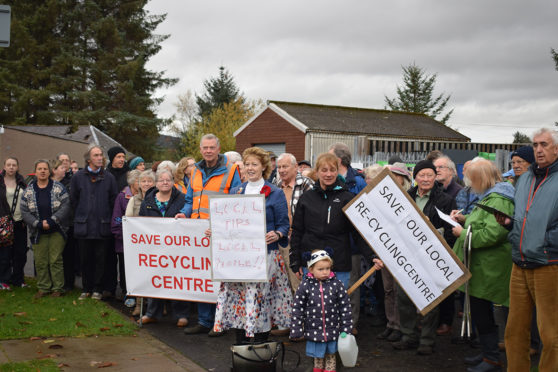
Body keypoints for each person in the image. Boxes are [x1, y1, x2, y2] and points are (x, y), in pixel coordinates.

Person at [213, 147, 291, 344]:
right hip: (239, 257)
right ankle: (241, 347)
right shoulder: (235, 191)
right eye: (246, 164)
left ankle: (260, 347)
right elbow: (227, 220)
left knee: (259, 300)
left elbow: (284, 224)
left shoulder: (275, 193)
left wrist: (277, 233)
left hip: (265, 256)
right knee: (240, 300)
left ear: (263, 167)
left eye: (254, 164)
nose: (249, 168)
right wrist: (215, 228)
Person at [496, 128, 558, 372]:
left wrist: (542, 242)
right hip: (519, 264)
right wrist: (511, 226)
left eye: (544, 144)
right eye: (535, 144)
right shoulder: (526, 178)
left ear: (556, 148)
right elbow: (523, 218)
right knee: (513, 333)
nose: (539, 149)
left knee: (551, 336)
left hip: (549, 265)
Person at [450, 159, 514, 372]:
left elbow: (494, 233)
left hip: (489, 267)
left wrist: (464, 233)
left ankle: (492, 359)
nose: (470, 184)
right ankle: (489, 354)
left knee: (484, 312)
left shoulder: (500, 199)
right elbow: (483, 221)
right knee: (481, 311)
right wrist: (464, 218)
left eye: (473, 180)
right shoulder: (491, 196)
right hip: (482, 266)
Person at [176, 133, 241, 336]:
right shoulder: (195, 170)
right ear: (200, 149)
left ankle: (219, 322)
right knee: (202, 277)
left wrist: (222, 225)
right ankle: (204, 321)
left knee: (220, 279)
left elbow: (236, 202)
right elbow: (189, 199)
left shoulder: (231, 171)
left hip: (220, 233)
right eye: (205, 148)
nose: (208, 151)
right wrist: (184, 213)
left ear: (218, 148)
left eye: (212, 147)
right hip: (198, 233)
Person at [290, 153, 382, 289]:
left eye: (332, 170)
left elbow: (358, 233)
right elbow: (297, 231)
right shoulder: (306, 198)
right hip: (311, 263)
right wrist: (295, 261)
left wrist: (371, 256)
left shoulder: (348, 198)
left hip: (339, 264)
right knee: (314, 306)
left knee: (336, 307)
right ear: (317, 172)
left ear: (337, 171)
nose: (328, 174)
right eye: (324, 170)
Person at [393, 160, 456, 355]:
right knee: (404, 297)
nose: (426, 179)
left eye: (430, 175)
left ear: (435, 177)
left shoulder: (445, 200)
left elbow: (450, 230)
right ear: (415, 177)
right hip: (407, 254)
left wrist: (430, 229)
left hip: (431, 256)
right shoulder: (405, 197)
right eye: (422, 175)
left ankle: (427, 340)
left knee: (430, 298)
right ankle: (408, 336)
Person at [138, 169, 189, 327]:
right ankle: (152, 313)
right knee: (155, 280)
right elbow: (141, 223)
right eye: (161, 180)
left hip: (177, 250)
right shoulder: (148, 200)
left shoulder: (182, 199)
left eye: (168, 179)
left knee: (177, 282)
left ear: (173, 181)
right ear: (156, 183)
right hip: (155, 250)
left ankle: (181, 315)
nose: (165, 182)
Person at [290, 249, 353, 372]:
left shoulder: (336, 284)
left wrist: (346, 328)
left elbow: (345, 308)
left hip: (332, 330)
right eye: (320, 269)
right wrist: (296, 329)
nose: (325, 272)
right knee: (317, 359)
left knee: (331, 357)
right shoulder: (305, 286)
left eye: (327, 268)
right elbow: (297, 308)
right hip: (314, 331)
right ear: (311, 269)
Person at [328, 143, 369, 334]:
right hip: (332, 243)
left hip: (351, 244)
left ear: (338, 160)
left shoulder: (357, 182)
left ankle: (351, 323)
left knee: (351, 284)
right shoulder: (329, 179)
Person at [70, 145, 118, 300]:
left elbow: (113, 201)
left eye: (101, 155)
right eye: (96, 155)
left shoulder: (109, 177)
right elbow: (73, 200)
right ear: (88, 159)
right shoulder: (78, 177)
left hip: (102, 226)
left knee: (100, 260)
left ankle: (97, 288)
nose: (100, 158)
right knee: (85, 260)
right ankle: (86, 288)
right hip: (84, 226)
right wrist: (81, 215)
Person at [20, 160, 70, 298]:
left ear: (50, 171)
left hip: (57, 230)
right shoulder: (28, 190)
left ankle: (58, 288)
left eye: (45, 169)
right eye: (39, 169)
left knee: (55, 260)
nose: (42, 171)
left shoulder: (59, 187)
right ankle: (43, 287)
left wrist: (52, 221)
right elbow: (24, 211)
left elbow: (66, 206)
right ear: (35, 172)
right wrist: (37, 223)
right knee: (40, 260)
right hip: (38, 231)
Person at [376, 162, 412, 342]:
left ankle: (400, 325)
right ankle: (391, 323)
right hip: (385, 249)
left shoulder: (408, 198)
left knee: (399, 290)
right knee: (388, 289)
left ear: (403, 179)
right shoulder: (381, 199)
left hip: (402, 252)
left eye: (396, 175)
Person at [273, 153, 314, 293]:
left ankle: (301, 314)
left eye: (285, 166)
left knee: (298, 283)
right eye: (279, 167)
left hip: (299, 241)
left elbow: (312, 214)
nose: (282, 170)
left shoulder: (306, 184)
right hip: (280, 240)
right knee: (282, 284)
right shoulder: (276, 185)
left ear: (296, 167)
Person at [433, 155, 462, 336]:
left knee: (447, 285)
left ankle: (446, 321)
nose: (437, 170)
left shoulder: (457, 192)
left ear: (451, 170)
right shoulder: (436, 190)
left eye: (441, 167)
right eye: (435, 167)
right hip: (434, 243)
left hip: (450, 242)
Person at [125, 170, 155, 316]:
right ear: (138, 184)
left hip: (155, 243)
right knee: (139, 274)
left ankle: (157, 306)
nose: (146, 184)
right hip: (139, 243)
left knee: (155, 274)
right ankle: (139, 304)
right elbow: (128, 218)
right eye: (143, 181)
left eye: (149, 181)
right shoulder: (133, 200)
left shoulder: (158, 198)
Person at [111, 170, 141, 307]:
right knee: (125, 269)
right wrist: (122, 235)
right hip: (125, 243)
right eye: (139, 180)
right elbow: (117, 219)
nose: (141, 183)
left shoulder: (146, 196)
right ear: (132, 182)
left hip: (141, 243)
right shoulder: (122, 197)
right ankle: (127, 293)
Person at [0, 157, 27, 289]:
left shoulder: (22, 183)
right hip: (4, 223)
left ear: (17, 167)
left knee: (20, 253)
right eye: (9, 165)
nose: (11, 167)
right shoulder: (0, 182)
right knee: (5, 254)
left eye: (14, 165)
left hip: (19, 222)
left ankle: (18, 279)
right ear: (4, 167)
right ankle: (3, 280)